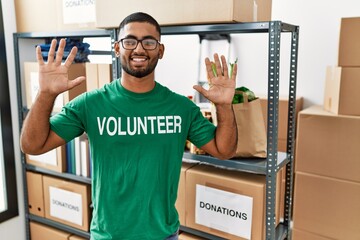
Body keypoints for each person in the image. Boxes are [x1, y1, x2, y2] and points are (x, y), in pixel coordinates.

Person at [20, 12, 237, 240]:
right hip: (108, 236)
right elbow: (32, 146)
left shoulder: (181, 108)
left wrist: (223, 106)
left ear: (160, 51)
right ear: (117, 49)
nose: (139, 49)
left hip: (163, 235)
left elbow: (224, 150)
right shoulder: (90, 104)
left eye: (149, 42)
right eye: (130, 41)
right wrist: (45, 94)